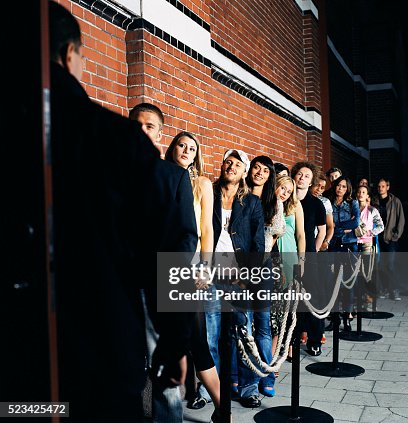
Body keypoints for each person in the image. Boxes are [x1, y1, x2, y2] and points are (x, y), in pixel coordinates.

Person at [48, 3, 198, 421]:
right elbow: (167, 251)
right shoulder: (114, 140)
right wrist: (175, 341)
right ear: (70, 55)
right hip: (100, 352)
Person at [199, 149, 265, 409]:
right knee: (209, 335)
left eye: (238, 164)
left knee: (243, 332)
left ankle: (248, 388)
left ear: (244, 171)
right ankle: (207, 390)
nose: (232, 166)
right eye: (228, 162)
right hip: (211, 275)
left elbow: (257, 243)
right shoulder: (209, 194)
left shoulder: (251, 202)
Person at [164, 131, 222, 420]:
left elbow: (207, 229)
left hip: (189, 267)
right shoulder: (160, 176)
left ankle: (223, 410)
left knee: (197, 340)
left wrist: (205, 266)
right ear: (172, 148)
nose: (186, 150)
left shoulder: (201, 183)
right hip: (162, 267)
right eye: (181, 145)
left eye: (192, 148)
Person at [246, 155, 285, 396]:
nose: (259, 173)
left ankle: (267, 376)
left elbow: (276, 233)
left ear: (270, 176)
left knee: (262, 325)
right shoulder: (239, 196)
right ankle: (246, 377)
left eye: (265, 171)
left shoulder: (274, 202)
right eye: (256, 168)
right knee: (243, 327)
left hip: (262, 266)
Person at [291, 161, 326, 356]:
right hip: (288, 254)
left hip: (309, 256)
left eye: (307, 176)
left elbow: (321, 230)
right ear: (294, 175)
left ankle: (314, 339)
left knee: (312, 298)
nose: (302, 178)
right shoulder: (286, 198)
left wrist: (315, 249)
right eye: (300, 174)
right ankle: (292, 339)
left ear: (311, 181)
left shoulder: (315, 203)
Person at [275, 175, 306, 359]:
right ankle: (276, 346)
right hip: (273, 256)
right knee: (275, 305)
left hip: (289, 255)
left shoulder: (295, 206)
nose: (285, 193)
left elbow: (301, 235)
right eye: (282, 188)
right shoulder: (269, 203)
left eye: (289, 191)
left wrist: (301, 261)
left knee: (289, 304)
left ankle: (288, 345)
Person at [326, 177, 360, 330]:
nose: (340, 189)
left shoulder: (353, 202)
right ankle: (334, 318)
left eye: (344, 186)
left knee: (348, 283)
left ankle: (346, 317)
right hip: (333, 245)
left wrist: (336, 227)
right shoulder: (328, 201)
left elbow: (355, 222)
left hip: (348, 245)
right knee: (333, 283)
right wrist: (339, 228)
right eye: (338, 185)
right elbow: (326, 223)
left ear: (348, 189)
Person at [376, 178, 405, 300]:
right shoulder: (375, 201)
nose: (380, 188)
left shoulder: (395, 201)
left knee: (391, 265)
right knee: (381, 265)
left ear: (387, 187)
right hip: (378, 238)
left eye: (383, 186)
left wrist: (396, 236)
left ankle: (394, 290)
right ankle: (384, 289)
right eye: (379, 186)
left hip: (391, 238)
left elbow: (401, 219)